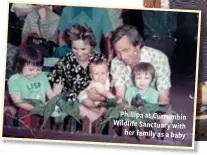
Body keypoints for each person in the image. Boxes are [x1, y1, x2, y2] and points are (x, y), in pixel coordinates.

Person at [48, 24, 107, 127]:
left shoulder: (100, 60)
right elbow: (55, 95)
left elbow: (107, 87)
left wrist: (101, 109)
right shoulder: (63, 63)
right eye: (74, 48)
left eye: (83, 49)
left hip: (96, 103)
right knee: (88, 115)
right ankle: (101, 128)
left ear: (92, 45)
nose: (79, 53)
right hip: (72, 106)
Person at [110, 25, 171, 106]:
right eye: (118, 52)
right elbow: (120, 95)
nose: (123, 57)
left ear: (138, 45)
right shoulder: (116, 62)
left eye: (126, 50)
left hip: (154, 104)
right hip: (129, 105)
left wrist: (154, 112)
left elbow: (164, 98)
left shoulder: (160, 58)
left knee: (166, 118)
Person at [7, 45, 55, 127]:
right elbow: (18, 101)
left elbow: (50, 92)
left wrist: (53, 101)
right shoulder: (14, 80)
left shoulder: (42, 76)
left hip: (43, 110)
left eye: (39, 69)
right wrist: (36, 108)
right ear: (20, 66)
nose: (35, 73)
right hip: (25, 112)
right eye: (31, 69)